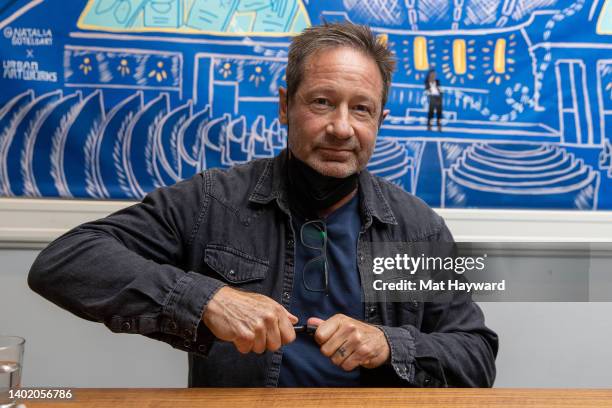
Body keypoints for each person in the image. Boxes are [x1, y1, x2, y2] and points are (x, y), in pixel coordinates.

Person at [28, 22, 497, 387]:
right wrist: (206, 297)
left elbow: (475, 355)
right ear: (284, 106)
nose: (341, 127)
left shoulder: (417, 229)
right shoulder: (213, 201)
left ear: (380, 120)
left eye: (361, 109)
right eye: (321, 102)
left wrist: (388, 344)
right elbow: (64, 261)